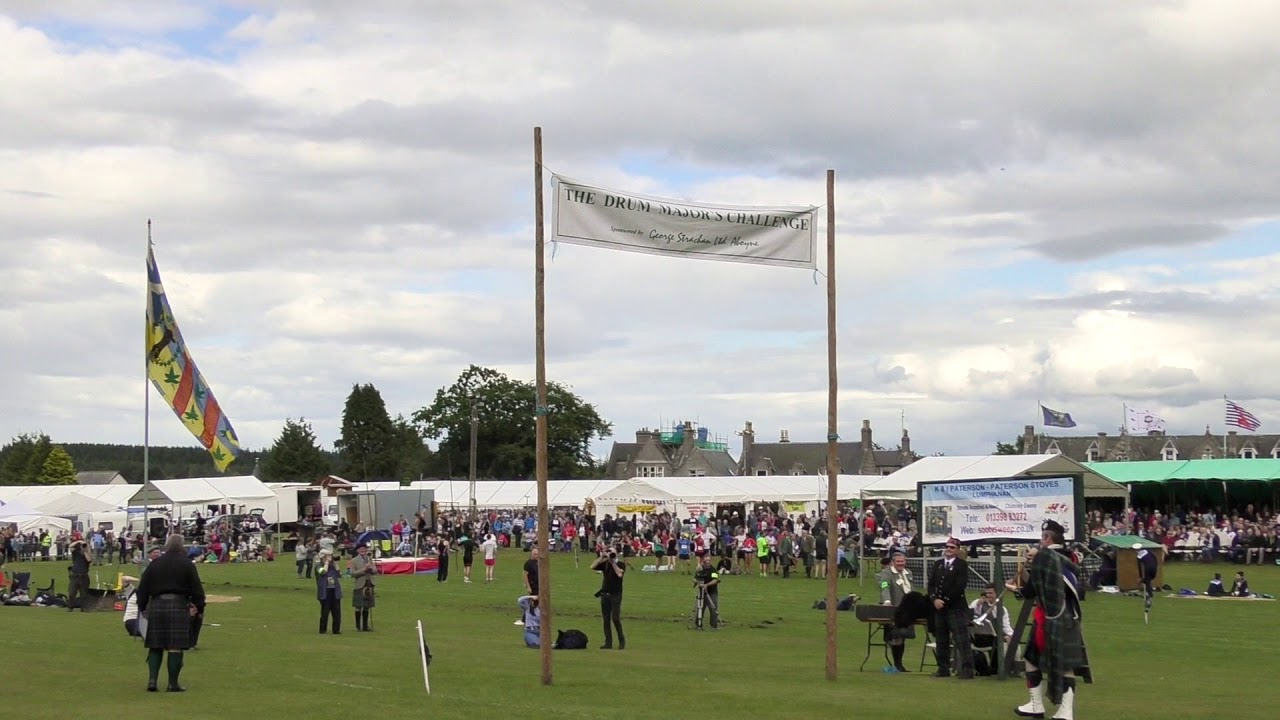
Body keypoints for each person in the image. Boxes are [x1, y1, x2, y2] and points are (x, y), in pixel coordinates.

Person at [1009, 520, 1086, 720]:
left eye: (1041, 538)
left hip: (1049, 619)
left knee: (1031, 660)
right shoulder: (1070, 557)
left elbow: (1031, 591)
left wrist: (1016, 589)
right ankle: (1065, 711)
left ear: (1047, 538)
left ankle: (1037, 705)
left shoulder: (1045, 557)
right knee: (1066, 665)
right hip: (1070, 617)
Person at [136, 534, 205, 692]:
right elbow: (197, 590)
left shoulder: (155, 564)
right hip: (178, 605)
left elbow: (143, 588)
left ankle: (152, 681)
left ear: (166, 545)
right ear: (181, 546)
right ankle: (172, 684)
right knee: (175, 646)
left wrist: (142, 608)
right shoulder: (187, 564)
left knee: (155, 645)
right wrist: (199, 608)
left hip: (157, 605)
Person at [928, 538, 973, 679]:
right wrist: (934, 599)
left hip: (956, 607)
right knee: (941, 639)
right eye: (947, 546)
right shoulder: (938, 564)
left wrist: (945, 601)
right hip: (939, 608)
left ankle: (967, 669)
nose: (949, 549)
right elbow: (931, 584)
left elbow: (960, 586)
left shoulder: (961, 565)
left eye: (952, 547)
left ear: (958, 550)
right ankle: (943, 668)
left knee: (961, 639)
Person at [877, 549, 914, 672]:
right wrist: (887, 601)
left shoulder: (908, 573)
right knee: (896, 637)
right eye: (898, 561)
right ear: (893, 562)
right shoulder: (887, 573)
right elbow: (884, 587)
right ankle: (897, 664)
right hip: (893, 610)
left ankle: (899, 664)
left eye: (902, 561)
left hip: (907, 610)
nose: (900, 563)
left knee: (903, 638)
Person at [969, 584, 1013, 676]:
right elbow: (970, 614)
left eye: (991, 593)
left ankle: (996, 669)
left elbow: (1006, 626)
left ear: (996, 594)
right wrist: (978, 605)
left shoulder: (1002, 609)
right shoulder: (977, 603)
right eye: (986, 593)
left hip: (994, 637)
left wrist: (1010, 635)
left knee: (1002, 642)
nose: (988, 595)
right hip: (978, 637)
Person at [591, 546, 626, 650]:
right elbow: (592, 566)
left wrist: (613, 562)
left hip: (616, 595)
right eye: (609, 551)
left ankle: (622, 640)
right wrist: (602, 557)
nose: (610, 553)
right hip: (605, 594)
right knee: (606, 620)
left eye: (612, 552)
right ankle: (608, 642)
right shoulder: (605, 564)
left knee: (615, 618)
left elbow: (620, 574)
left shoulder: (620, 564)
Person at [350, 543, 377, 632]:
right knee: (358, 606)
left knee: (367, 606)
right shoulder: (354, 560)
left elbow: (375, 570)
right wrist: (364, 570)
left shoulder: (369, 559)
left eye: (364, 549)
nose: (363, 550)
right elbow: (353, 573)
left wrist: (371, 569)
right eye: (361, 549)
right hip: (359, 585)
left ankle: (365, 626)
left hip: (369, 584)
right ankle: (358, 626)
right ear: (357, 550)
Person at [315, 549, 342, 635]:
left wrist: (335, 564)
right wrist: (326, 562)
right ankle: (322, 630)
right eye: (328, 556)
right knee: (325, 612)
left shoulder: (332, 566)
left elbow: (339, 574)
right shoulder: (318, 566)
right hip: (325, 592)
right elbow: (323, 572)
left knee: (337, 612)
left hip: (334, 591)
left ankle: (336, 630)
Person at [693, 554, 721, 629]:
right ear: (703, 561)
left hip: (712, 592)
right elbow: (695, 578)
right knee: (700, 608)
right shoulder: (700, 569)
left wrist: (706, 585)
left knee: (713, 608)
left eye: (709, 560)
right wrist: (696, 581)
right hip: (701, 592)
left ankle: (714, 625)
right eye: (706, 560)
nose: (708, 562)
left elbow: (715, 580)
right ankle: (698, 623)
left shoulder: (713, 570)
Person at [66, 539, 92, 612]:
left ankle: (84, 608)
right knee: (71, 593)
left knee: (84, 594)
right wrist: (78, 542)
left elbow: (89, 560)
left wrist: (85, 550)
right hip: (75, 576)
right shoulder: (75, 553)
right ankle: (70, 607)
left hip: (84, 576)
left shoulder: (87, 554)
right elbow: (70, 546)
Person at [516, 547, 540, 626]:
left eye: (537, 554)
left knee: (537, 602)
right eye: (535, 554)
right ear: (532, 554)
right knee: (533, 602)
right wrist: (528, 586)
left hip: (539, 585)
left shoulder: (539, 562)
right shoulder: (528, 563)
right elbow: (525, 575)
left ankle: (533, 617)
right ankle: (525, 619)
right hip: (533, 585)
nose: (536, 555)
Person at [1134, 543, 1158, 614]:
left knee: (1147, 580)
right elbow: (1154, 557)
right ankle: (1148, 594)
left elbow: (1139, 567)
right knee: (1149, 579)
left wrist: (1140, 576)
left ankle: (1149, 597)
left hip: (1148, 568)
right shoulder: (1148, 551)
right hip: (1154, 566)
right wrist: (1156, 565)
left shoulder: (1138, 556)